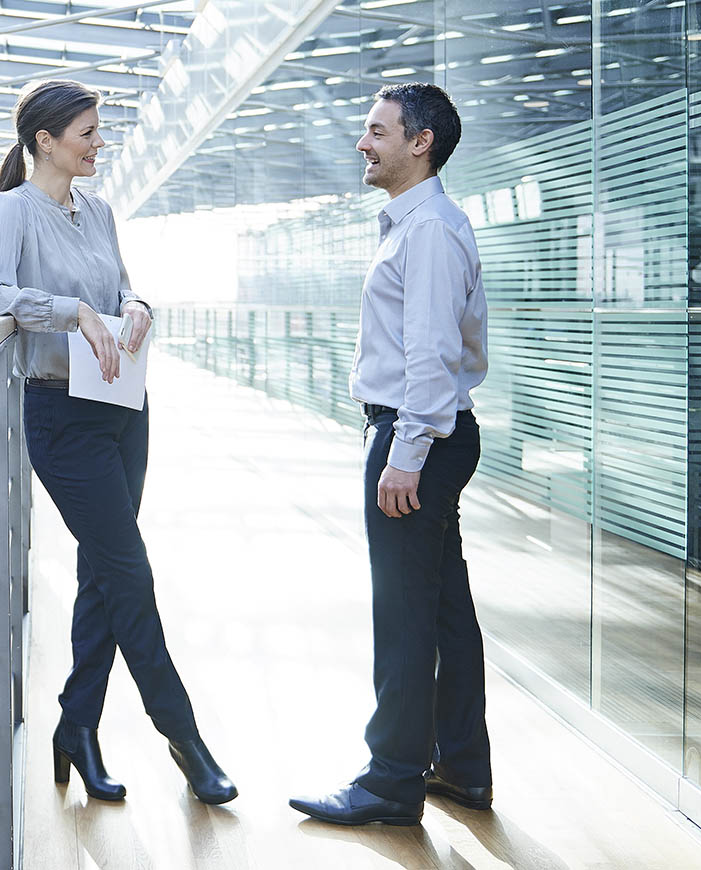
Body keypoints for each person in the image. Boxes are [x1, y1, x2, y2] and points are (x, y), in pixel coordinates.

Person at [0, 79, 236, 805]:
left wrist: (137, 306)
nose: (99, 144)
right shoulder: (9, 211)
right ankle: (185, 738)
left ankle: (75, 729)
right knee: (131, 574)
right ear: (45, 140)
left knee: (104, 577)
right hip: (62, 419)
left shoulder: (100, 211)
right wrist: (70, 311)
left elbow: (122, 292)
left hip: (123, 410)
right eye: (87, 132)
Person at [289, 83, 490, 826]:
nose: (362, 143)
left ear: (421, 142)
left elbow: (432, 354)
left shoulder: (428, 229)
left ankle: (390, 783)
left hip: (418, 436)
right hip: (427, 433)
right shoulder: (415, 224)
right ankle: (462, 767)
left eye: (376, 131)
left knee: (404, 618)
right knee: (442, 613)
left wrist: (404, 454)